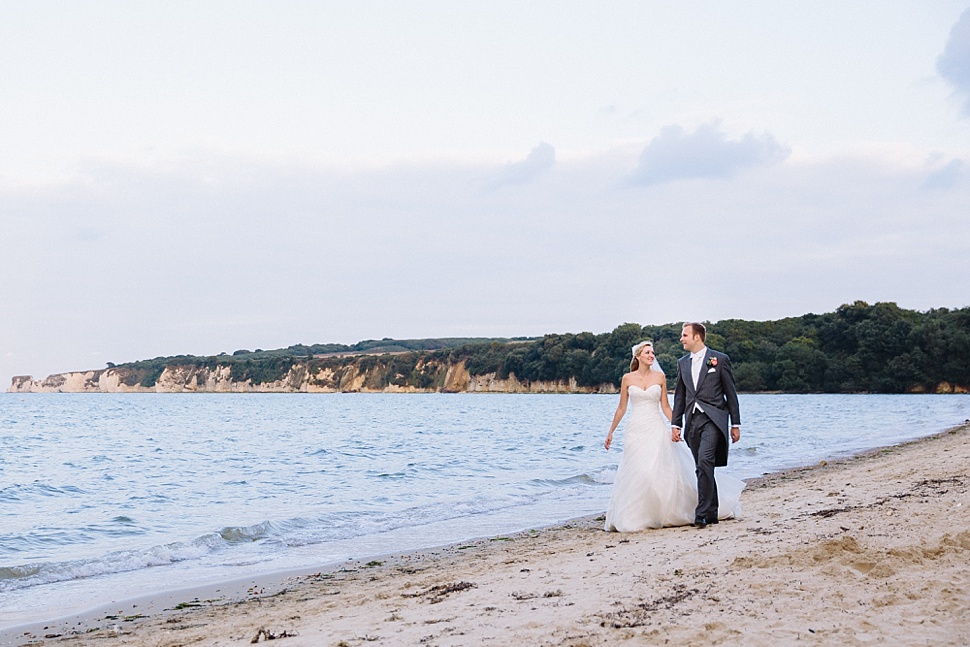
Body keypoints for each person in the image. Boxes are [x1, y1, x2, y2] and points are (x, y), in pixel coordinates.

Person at [603, 341, 743, 532]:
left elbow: (667, 406)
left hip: (656, 427)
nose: (652, 355)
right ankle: (636, 513)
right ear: (638, 356)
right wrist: (611, 432)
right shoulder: (627, 378)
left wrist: (676, 426)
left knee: (656, 470)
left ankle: (665, 511)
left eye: (653, 353)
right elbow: (621, 408)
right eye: (647, 353)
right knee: (637, 470)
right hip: (635, 429)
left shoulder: (660, 376)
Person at [671, 322, 742, 529]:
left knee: (704, 462)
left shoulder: (719, 360)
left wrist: (735, 424)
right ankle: (712, 512)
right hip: (692, 421)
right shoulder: (682, 363)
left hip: (714, 419)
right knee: (703, 467)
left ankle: (700, 514)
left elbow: (731, 393)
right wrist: (676, 424)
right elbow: (680, 397)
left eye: (685, 335)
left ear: (697, 337)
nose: (681, 339)